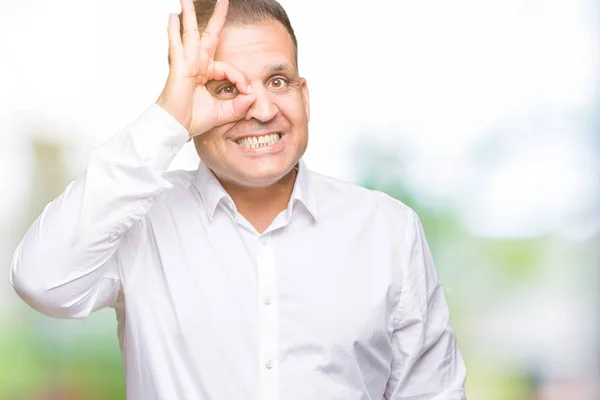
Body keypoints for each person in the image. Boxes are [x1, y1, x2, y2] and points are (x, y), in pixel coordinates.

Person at [9, 0, 467, 398]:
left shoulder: (387, 229)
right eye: (227, 89)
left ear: (304, 96)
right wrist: (165, 122)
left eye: (278, 81)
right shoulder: (141, 224)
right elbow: (42, 280)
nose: (262, 111)